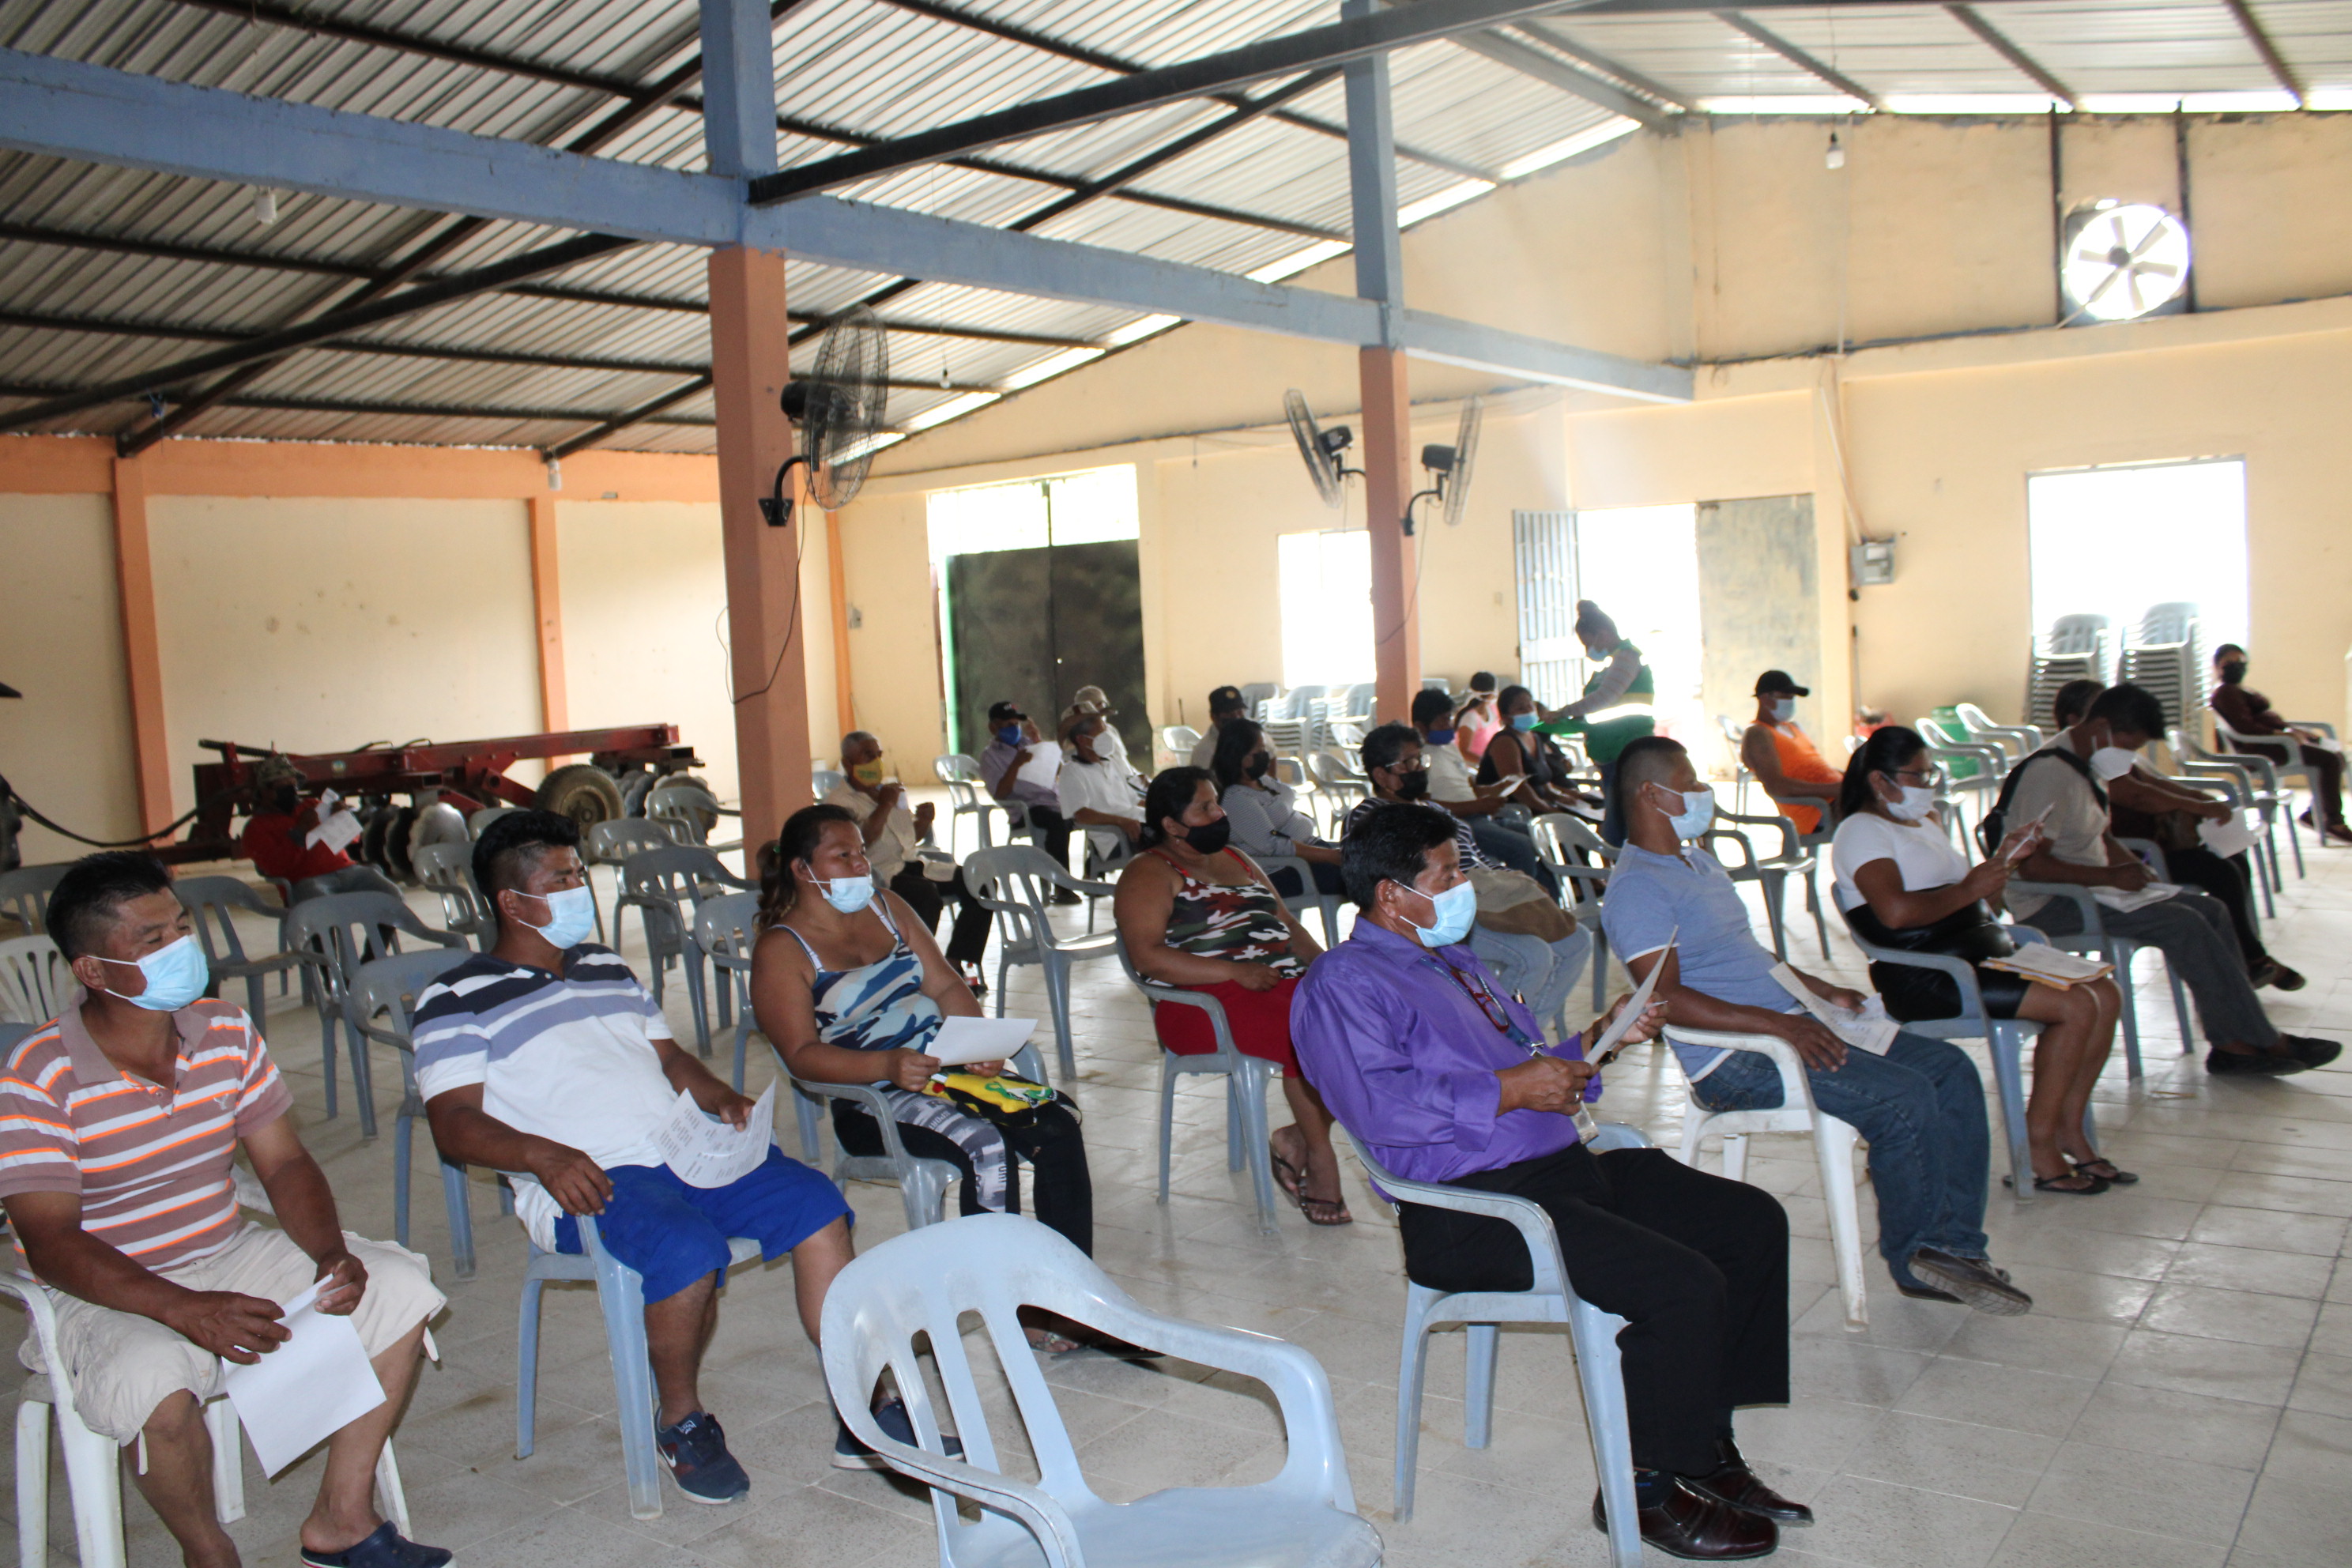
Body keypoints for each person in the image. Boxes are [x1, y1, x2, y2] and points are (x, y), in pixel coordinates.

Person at [1293, 804, 1800, 1560]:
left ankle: (1704, 1447)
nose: (1463, 887)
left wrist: (1599, 1040)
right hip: (1474, 1211)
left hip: (1557, 1172)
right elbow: (1379, 1107)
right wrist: (1512, 1090)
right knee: (1680, 1285)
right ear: (1393, 894)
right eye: (1448, 875)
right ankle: (1646, 1488)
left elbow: (1526, 1067)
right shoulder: (1342, 983)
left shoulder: (1451, 960)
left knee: (1750, 1222)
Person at [1, 852, 450, 1568]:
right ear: (92, 970)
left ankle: (341, 1519)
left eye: (180, 927)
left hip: (226, 1248)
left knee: (395, 1287)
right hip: (106, 1286)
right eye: (152, 939)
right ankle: (208, 1551)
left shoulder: (225, 1030)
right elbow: (51, 1240)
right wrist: (182, 1308)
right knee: (154, 1383)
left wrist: (329, 1252)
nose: (182, 946)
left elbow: (284, 1163)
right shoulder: (38, 1074)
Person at [417, 811, 866, 1501]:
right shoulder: (454, 998)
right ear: (512, 901)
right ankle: (681, 1419)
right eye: (561, 879)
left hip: (682, 1150)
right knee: (687, 1248)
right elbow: (453, 1124)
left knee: (815, 1203)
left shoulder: (604, 966)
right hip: (584, 1175)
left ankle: (858, 1400)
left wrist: (721, 1097)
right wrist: (541, 1156)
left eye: (578, 873)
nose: (580, 888)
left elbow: (669, 1057)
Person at [1603, 736, 2030, 1311]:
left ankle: (1955, 1248)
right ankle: (1918, 1257)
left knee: (1949, 1070)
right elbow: (1664, 998)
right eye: (1691, 783)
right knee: (1902, 1098)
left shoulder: (1696, 861)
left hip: (1785, 1023)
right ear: (1651, 795)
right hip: (1737, 1059)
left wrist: (1820, 992)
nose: (1703, 792)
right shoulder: (1637, 887)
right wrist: (1780, 1027)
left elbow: (1749, 954)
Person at [751, 805, 1100, 1348]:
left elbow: (944, 984)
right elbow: (800, 1054)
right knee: (985, 1148)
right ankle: (1004, 1305)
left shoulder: (886, 907)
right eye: (842, 855)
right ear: (802, 869)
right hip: (872, 1096)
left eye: (861, 852)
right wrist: (885, 1065)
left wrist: (978, 1044)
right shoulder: (782, 949)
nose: (860, 865)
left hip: (943, 1070)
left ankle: (1067, 1297)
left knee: (1055, 1124)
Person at [1833, 729, 2128, 1193]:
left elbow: (1978, 901)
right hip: (1930, 973)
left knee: (2105, 994)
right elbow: (1895, 913)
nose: (1927, 784)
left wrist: (2005, 861)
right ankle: (2038, 1145)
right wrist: (1971, 887)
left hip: (1979, 955)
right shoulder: (1861, 831)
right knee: (2075, 1006)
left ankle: (2069, 1128)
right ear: (1879, 780)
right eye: (1918, 775)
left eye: (1930, 774)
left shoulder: (1924, 823)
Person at [2000, 684, 2338, 1076]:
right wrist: (2109, 875)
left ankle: (2238, 1038)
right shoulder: (2050, 773)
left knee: (2211, 909)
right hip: (2053, 902)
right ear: (2102, 727)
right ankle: (2249, 1042)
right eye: (2128, 745)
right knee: (2184, 924)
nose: (2130, 757)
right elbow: (2030, 866)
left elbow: (2098, 836)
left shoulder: (2086, 763)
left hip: (2095, 891)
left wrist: (2134, 870)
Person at [1114, 767, 1348, 1226]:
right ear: (1172, 824)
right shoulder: (1148, 872)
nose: (1219, 814)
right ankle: (1322, 1163)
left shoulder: (1237, 858)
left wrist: (1328, 970)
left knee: (1360, 1024)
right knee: (1309, 1036)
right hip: (1204, 1003)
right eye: (1204, 808)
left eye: (1216, 803)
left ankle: (1298, 1138)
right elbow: (1148, 957)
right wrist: (1233, 972)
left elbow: (1288, 924)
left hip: (1275, 986)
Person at [2053, 680, 2301, 991]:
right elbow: (2137, 796)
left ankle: (2246, 954)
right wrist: (2194, 805)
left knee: (2233, 860)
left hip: (2150, 844)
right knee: (2219, 873)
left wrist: (2200, 800)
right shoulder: (2078, 761)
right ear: (2077, 719)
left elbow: (2154, 782)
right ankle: (2249, 960)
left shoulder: (2109, 753)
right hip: (2133, 853)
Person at [1352, 722, 1589, 1038]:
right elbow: (1389, 877)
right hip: (1438, 913)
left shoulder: (1433, 809)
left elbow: (1476, 858)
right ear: (1381, 776)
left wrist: (1516, 880)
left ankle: (1528, 1037)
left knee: (1577, 940)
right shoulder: (1372, 816)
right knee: (1533, 955)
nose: (1419, 768)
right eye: (1408, 763)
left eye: (1420, 759)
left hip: (1484, 897)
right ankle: (1500, 1040)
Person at [825, 730, 993, 986]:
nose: (876, 762)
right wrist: (884, 805)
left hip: (914, 865)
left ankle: (954, 963)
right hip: (878, 874)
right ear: (848, 763)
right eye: (868, 756)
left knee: (980, 883)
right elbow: (861, 843)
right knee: (925, 896)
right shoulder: (839, 801)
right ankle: (916, 970)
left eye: (879, 755)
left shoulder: (889, 791)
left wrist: (923, 821)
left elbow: (907, 839)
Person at [1533, 601, 1657, 843]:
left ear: (1603, 634)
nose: (1588, 650)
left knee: (1623, 826)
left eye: (1588, 643)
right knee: (1617, 821)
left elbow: (1604, 698)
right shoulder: (1610, 663)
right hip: (1610, 750)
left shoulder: (1627, 657)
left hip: (1627, 749)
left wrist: (1564, 713)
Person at [1410, 687, 1554, 892]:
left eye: (1450, 719)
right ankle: (1521, 901)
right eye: (1442, 721)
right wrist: (1478, 806)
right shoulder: (1419, 758)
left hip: (1480, 816)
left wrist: (1495, 790)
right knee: (1522, 847)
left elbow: (1469, 788)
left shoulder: (1449, 747)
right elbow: (1426, 807)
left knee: (1542, 835)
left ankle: (1549, 897)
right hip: (1457, 824)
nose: (1449, 726)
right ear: (1421, 726)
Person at [2211, 643, 2350, 843]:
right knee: (2330, 760)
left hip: (2279, 743)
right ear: (2218, 666)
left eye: (2240, 661)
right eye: (2229, 662)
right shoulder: (2226, 692)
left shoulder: (2238, 689)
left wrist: (2293, 731)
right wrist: (2280, 734)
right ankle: (2334, 821)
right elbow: (2245, 727)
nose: (2236, 666)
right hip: (2265, 749)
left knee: (2336, 757)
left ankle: (2315, 814)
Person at [238, 752, 401, 903]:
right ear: (265, 791)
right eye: (283, 785)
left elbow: (353, 838)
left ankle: (380, 928)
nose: (291, 789)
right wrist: (300, 833)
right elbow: (276, 867)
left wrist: (343, 818)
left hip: (348, 870)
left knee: (392, 895)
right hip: (307, 880)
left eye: (293, 783)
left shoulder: (313, 805)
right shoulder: (256, 828)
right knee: (324, 909)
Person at [1211, 717, 1344, 898]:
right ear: (1240, 756)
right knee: (1365, 877)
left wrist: (1289, 824)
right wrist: (1331, 856)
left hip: (1307, 855)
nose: (1266, 755)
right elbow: (1274, 844)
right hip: (1284, 870)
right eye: (1259, 751)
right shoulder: (1236, 798)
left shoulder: (1261, 782)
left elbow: (1285, 801)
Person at [976, 700, 1076, 897]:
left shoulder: (1028, 744)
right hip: (1026, 808)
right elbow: (1000, 794)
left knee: (1085, 810)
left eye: (1016, 724)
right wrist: (1016, 764)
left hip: (1052, 801)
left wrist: (1040, 744)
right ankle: (1062, 885)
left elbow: (1058, 770)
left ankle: (1095, 870)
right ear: (993, 727)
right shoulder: (990, 757)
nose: (1014, 729)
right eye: (1008, 725)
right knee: (1058, 822)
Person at [1740, 671, 1842, 836]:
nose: (1790, 701)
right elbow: (1776, 786)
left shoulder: (1793, 727)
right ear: (1765, 698)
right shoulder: (1758, 733)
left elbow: (1817, 768)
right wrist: (1834, 790)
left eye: (1792, 697)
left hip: (1837, 799)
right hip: (1817, 812)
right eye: (1785, 696)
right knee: (1881, 807)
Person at [1057, 703, 1147, 872]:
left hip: (1138, 826)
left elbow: (1136, 801)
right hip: (1119, 838)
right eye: (1100, 733)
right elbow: (1081, 814)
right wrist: (1121, 821)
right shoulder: (1072, 771)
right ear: (1082, 739)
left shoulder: (1111, 763)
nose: (1107, 736)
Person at [1479, 684, 1588, 819]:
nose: (1528, 711)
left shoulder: (1534, 737)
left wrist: (1560, 797)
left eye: (1530, 706)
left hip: (1538, 805)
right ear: (1506, 717)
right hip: (1514, 811)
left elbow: (1543, 782)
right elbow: (1519, 789)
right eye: (1521, 708)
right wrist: (1551, 810)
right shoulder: (1505, 741)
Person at [1068, 684, 1132, 766]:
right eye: (1096, 710)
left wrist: (1135, 773)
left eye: (1103, 709)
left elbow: (1123, 762)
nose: (1100, 717)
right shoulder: (1077, 739)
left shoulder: (1111, 730)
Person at [1189, 684, 1248, 769]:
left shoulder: (1252, 735)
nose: (1236, 717)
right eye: (1229, 713)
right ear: (1213, 717)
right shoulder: (1204, 750)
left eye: (1239, 711)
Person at [1453, 670, 1503, 761]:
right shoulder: (1470, 718)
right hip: (1474, 765)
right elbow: (1464, 752)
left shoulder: (1492, 709)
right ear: (1493, 692)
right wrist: (1487, 764)